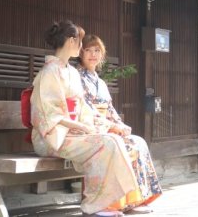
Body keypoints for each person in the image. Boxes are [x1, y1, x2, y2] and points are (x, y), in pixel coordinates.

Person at [30, 21, 138, 217]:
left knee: (112, 139)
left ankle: (110, 202)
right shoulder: (48, 72)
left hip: (71, 132)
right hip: (51, 137)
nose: (81, 47)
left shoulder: (70, 72)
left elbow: (83, 108)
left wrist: (106, 125)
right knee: (106, 143)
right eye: (80, 42)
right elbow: (48, 114)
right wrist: (81, 126)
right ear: (72, 41)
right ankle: (95, 205)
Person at [78, 34, 162, 214]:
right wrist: (110, 127)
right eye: (88, 50)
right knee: (115, 146)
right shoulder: (77, 78)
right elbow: (84, 109)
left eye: (97, 50)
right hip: (90, 127)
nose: (93, 54)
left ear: (102, 54)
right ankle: (107, 203)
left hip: (106, 125)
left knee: (137, 142)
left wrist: (120, 125)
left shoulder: (100, 82)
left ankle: (135, 199)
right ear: (80, 53)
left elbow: (109, 109)